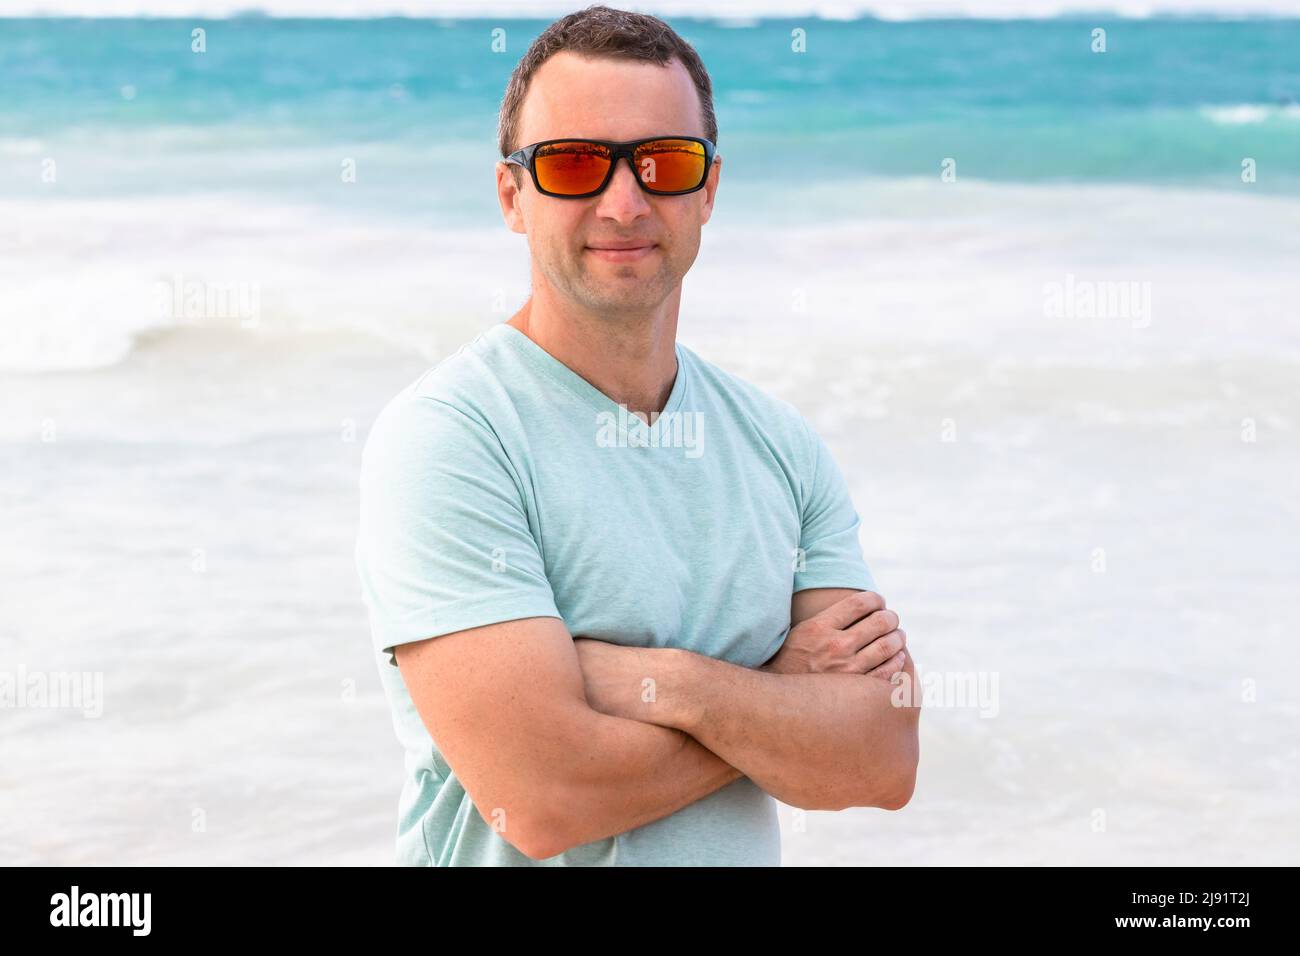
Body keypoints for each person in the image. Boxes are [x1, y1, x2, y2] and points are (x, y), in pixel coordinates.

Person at [355, 4, 920, 867]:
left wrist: (679, 687)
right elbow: (541, 799)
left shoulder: (779, 446)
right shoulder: (451, 440)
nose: (624, 202)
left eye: (663, 163)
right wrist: (779, 703)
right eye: (575, 164)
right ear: (512, 195)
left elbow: (881, 757)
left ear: (709, 190)